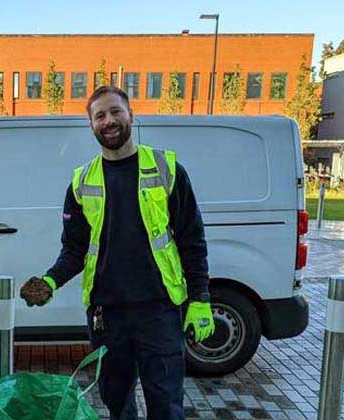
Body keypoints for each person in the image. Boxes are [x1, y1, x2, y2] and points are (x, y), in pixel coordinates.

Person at [20, 86, 215, 420]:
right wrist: (50, 281)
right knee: (116, 402)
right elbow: (75, 249)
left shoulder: (165, 170)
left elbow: (191, 240)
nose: (108, 121)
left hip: (160, 311)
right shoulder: (82, 182)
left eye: (115, 112)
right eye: (99, 116)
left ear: (131, 116)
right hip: (107, 315)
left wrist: (200, 298)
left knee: (166, 405)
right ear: (91, 126)